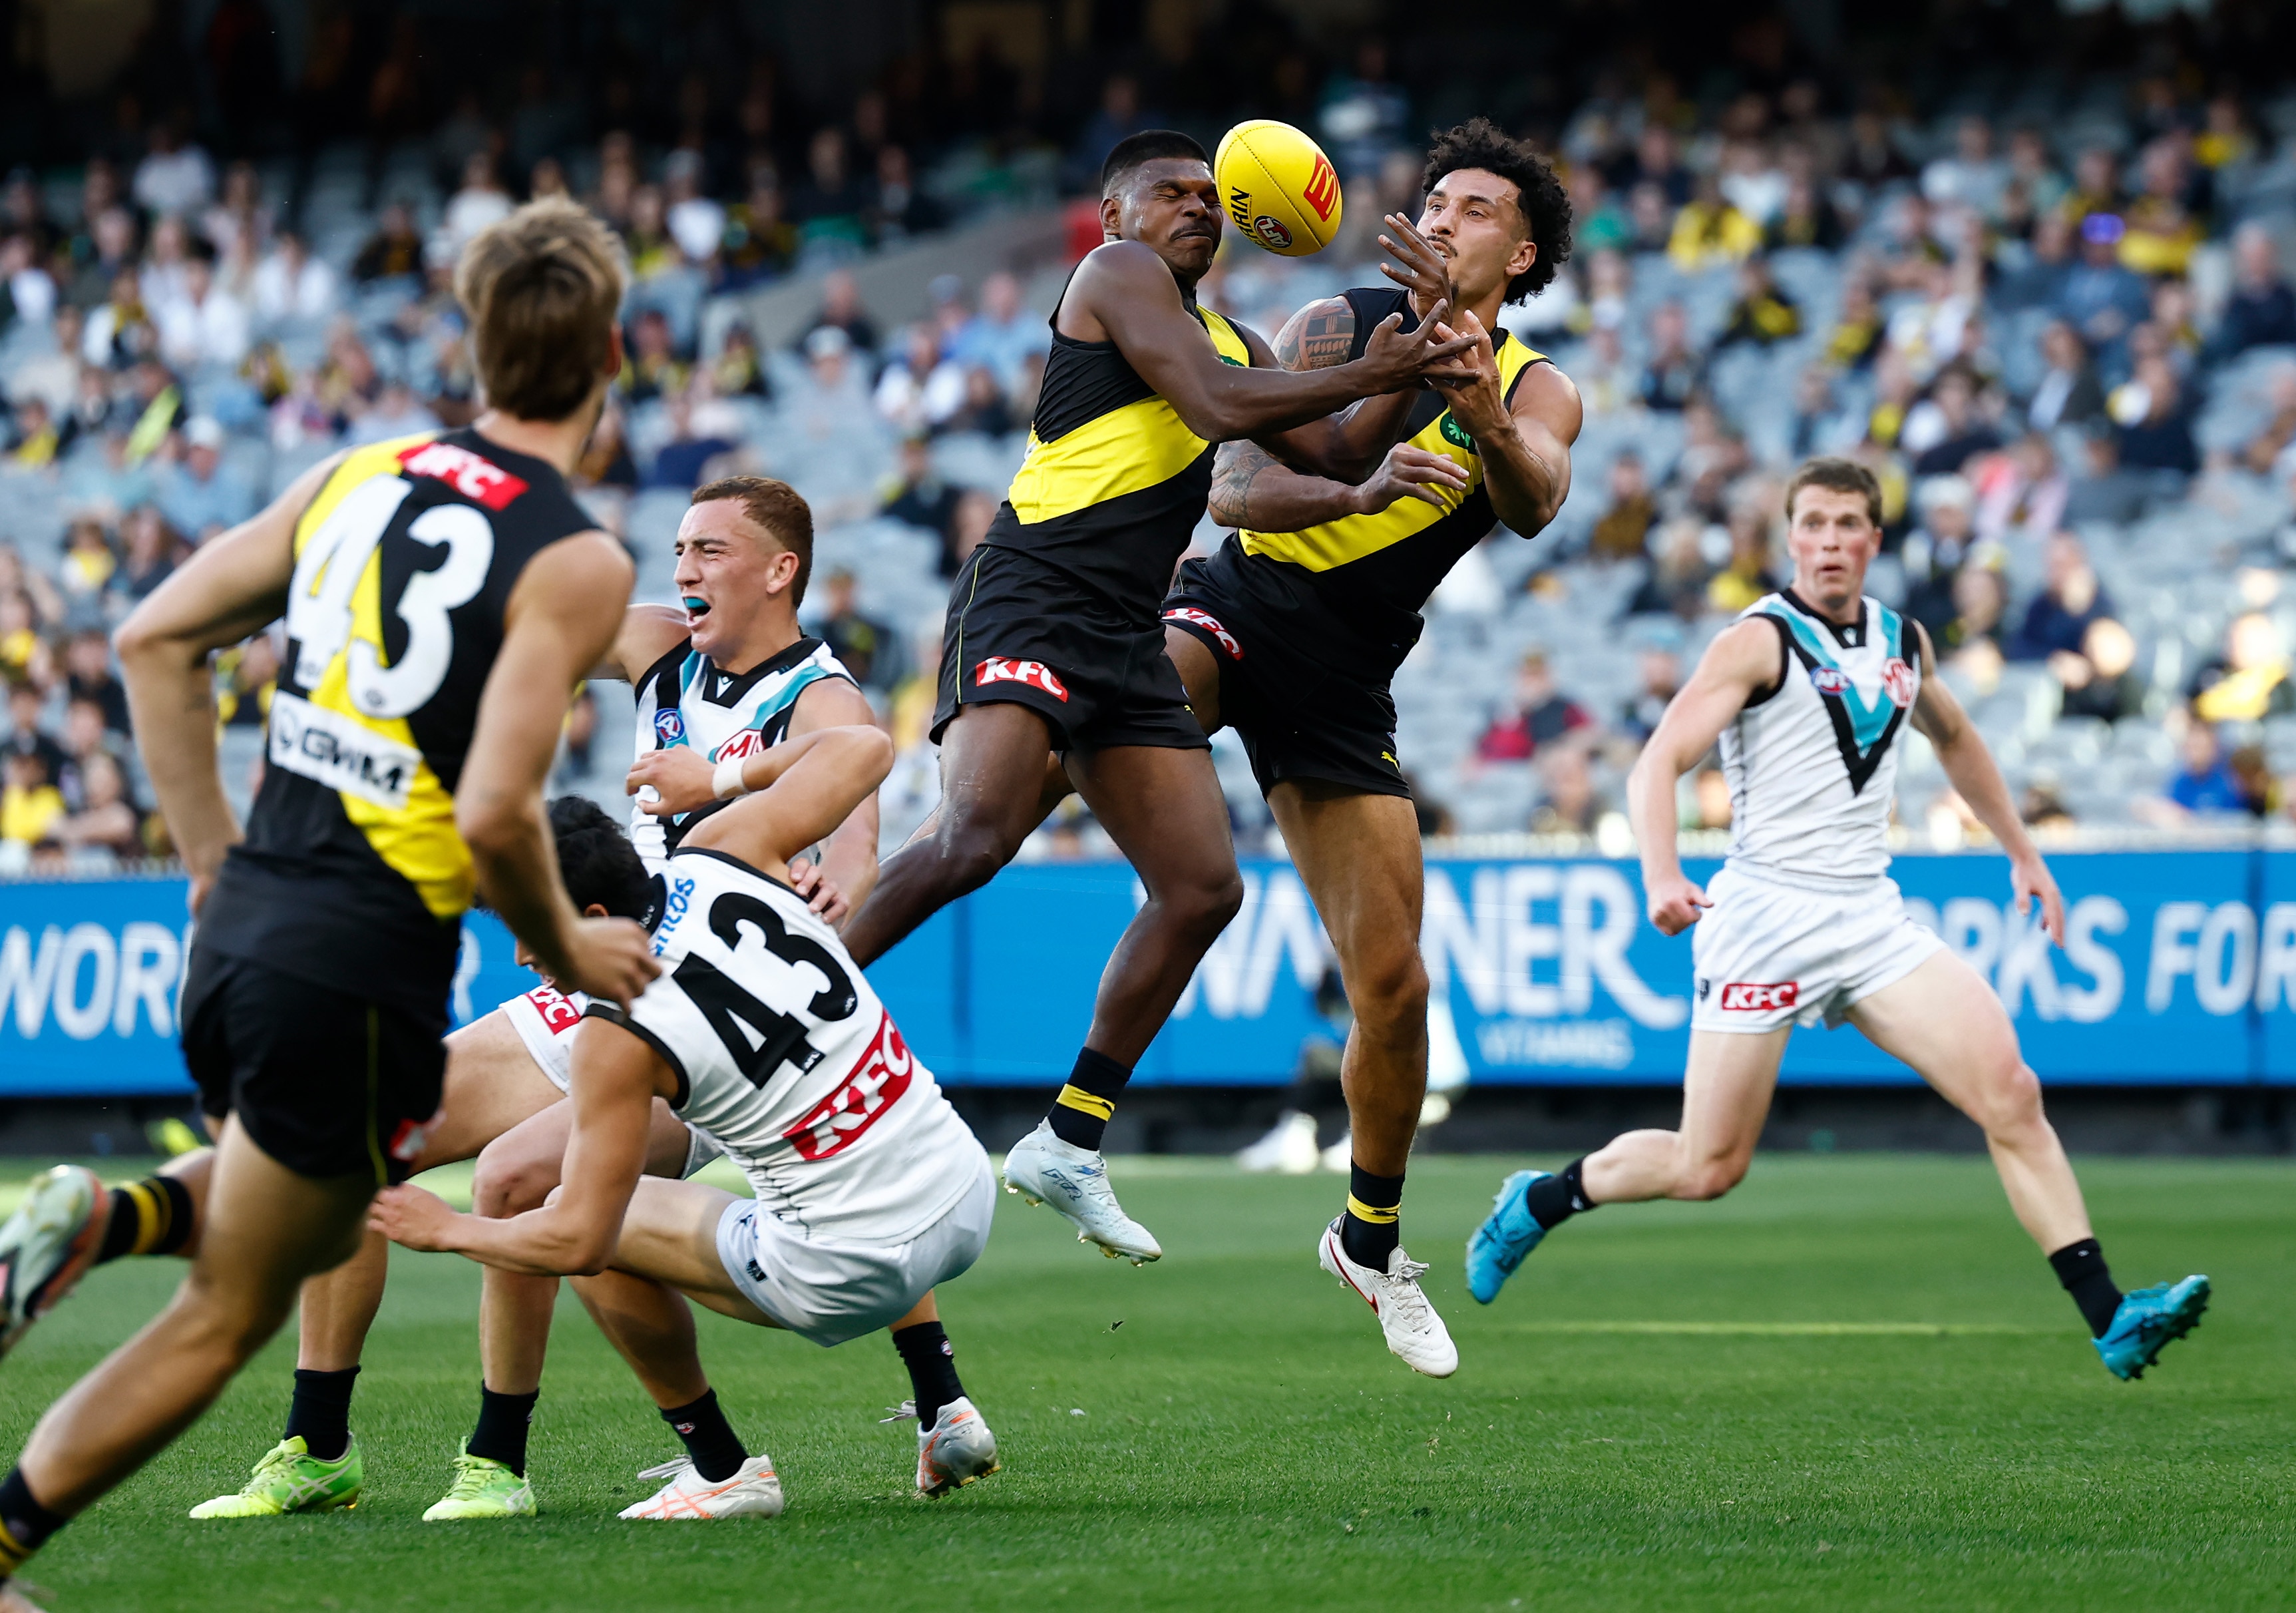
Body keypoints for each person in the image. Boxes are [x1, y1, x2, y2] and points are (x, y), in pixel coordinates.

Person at [0, 198, 664, 1608]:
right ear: (615, 349)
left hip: (244, 930)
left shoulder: (359, 472)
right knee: (232, 1305)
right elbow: (493, 810)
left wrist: (206, 860)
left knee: (297, 1208)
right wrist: (575, 947)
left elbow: (150, 634)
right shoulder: (574, 551)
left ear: (475, 344)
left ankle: (99, 1210)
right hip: (357, 965)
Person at [179, 475, 931, 1523]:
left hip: (686, 1014)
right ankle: (318, 1443)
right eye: (678, 547)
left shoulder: (820, 696)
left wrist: (846, 860)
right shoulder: (655, 644)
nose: (683, 567)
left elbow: (854, 811)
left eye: (710, 549)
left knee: (517, 1183)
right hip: (589, 974)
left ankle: (502, 1460)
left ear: (780, 569)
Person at [837, 130, 1475, 1269]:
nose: (1197, 208)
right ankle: (775, 999)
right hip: (1032, 592)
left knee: (1202, 886)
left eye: (1207, 196)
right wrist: (1375, 372)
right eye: (1170, 192)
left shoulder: (1228, 333)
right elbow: (1220, 404)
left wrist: (1413, 370)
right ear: (1116, 214)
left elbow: (1323, 448)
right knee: (976, 835)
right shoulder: (1118, 278)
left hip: (1125, 634)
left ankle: (1070, 1140)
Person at [1464, 457, 2209, 1385]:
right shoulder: (1755, 640)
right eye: (1811, 523)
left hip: (1868, 916)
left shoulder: (1903, 640)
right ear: (1789, 538)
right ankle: (1540, 1198)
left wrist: (2020, 848)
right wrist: (1660, 870)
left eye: (1846, 524)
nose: (1827, 541)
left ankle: (2110, 1313)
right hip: (1764, 916)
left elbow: (1956, 737)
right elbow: (1655, 763)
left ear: (1872, 540)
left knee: (2010, 1090)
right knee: (1706, 1166)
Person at [1153, 118, 1580, 1375]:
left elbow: (1535, 500)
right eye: (1434, 201)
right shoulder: (1340, 321)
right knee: (1118, 715)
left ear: (1526, 250)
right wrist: (1354, 493)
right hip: (1242, 600)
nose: (1444, 219)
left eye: (1476, 209)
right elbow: (1229, 486)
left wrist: (1473, 394)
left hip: (1348, 682)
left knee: (1394, 987)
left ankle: (1370, 1237)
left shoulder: (1535, 381)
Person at [369, 723, 1002, 1515]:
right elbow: (868, 746)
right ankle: (940, 1395)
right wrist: (723, 775)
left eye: (530, 926)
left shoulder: (616, 1030)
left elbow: (577, 1240)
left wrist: (445, 1227)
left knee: (561, 1202)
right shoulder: (723, 842)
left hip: (846, 1270)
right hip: (967, 1190)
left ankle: (720, 1465)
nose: (526, 956)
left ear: (594, 914)